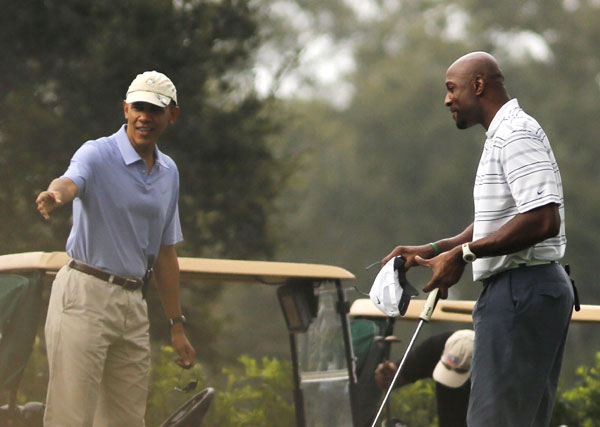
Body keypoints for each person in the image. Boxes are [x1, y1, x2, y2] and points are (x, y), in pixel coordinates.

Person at [382, 52, 574, 426]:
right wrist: (436, 250)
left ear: (479, 85)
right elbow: (497, 222)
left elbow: (542, 220)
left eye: (451, 89)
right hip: (522, 289)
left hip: (521, 289)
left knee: (494, 421)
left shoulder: (516, 133)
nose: (447, 100)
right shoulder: (500, 135)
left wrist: (465, 255)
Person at [36, 70, 196, 426]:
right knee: (70, 415)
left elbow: (166, 254)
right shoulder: (97, 153)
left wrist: (176, 325)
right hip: (84, 295)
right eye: (138, 107)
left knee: (126, 420)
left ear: (172, 115)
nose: (145, 117)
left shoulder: (169, 172)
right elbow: (70, 180)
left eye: (155, 110)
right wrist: (55, 195)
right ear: (125, 109)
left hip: (133, 304)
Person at [375, 330, 473, 427]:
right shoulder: (437, 346)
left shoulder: (487, 364)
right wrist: (386, 375)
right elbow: (394, 377)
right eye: (447, 367)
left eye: (460, 371)